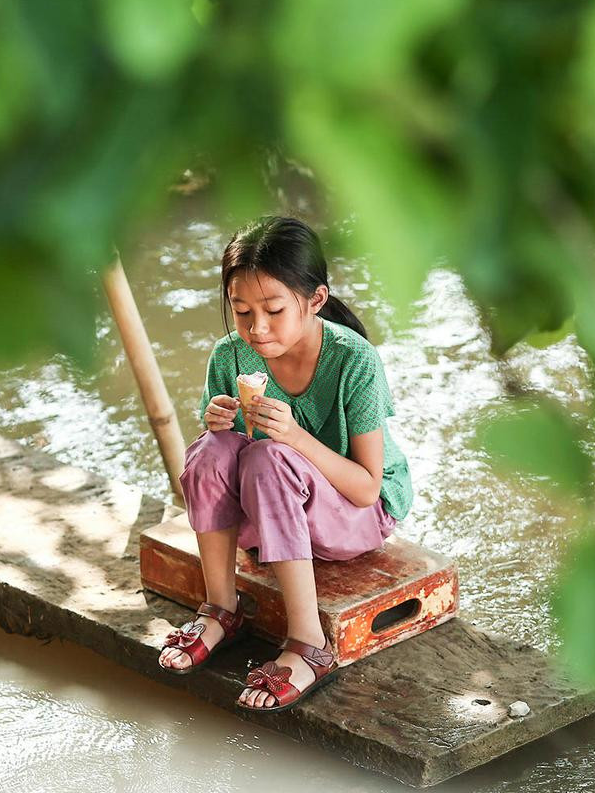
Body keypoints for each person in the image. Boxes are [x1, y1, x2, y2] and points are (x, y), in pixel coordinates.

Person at [156, 215, 413, 712]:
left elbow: (365, 489)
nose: (257, 328)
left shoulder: (353, 361)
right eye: (242, 311)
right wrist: (217, 427)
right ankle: (220, 610)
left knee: (273, 457)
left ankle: (308, 644)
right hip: (272, 515)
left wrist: (295, 436)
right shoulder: (229, 358)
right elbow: (225, 467)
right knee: (209, 452)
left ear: (315, 300)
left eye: (274, 310)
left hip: (355, 516)